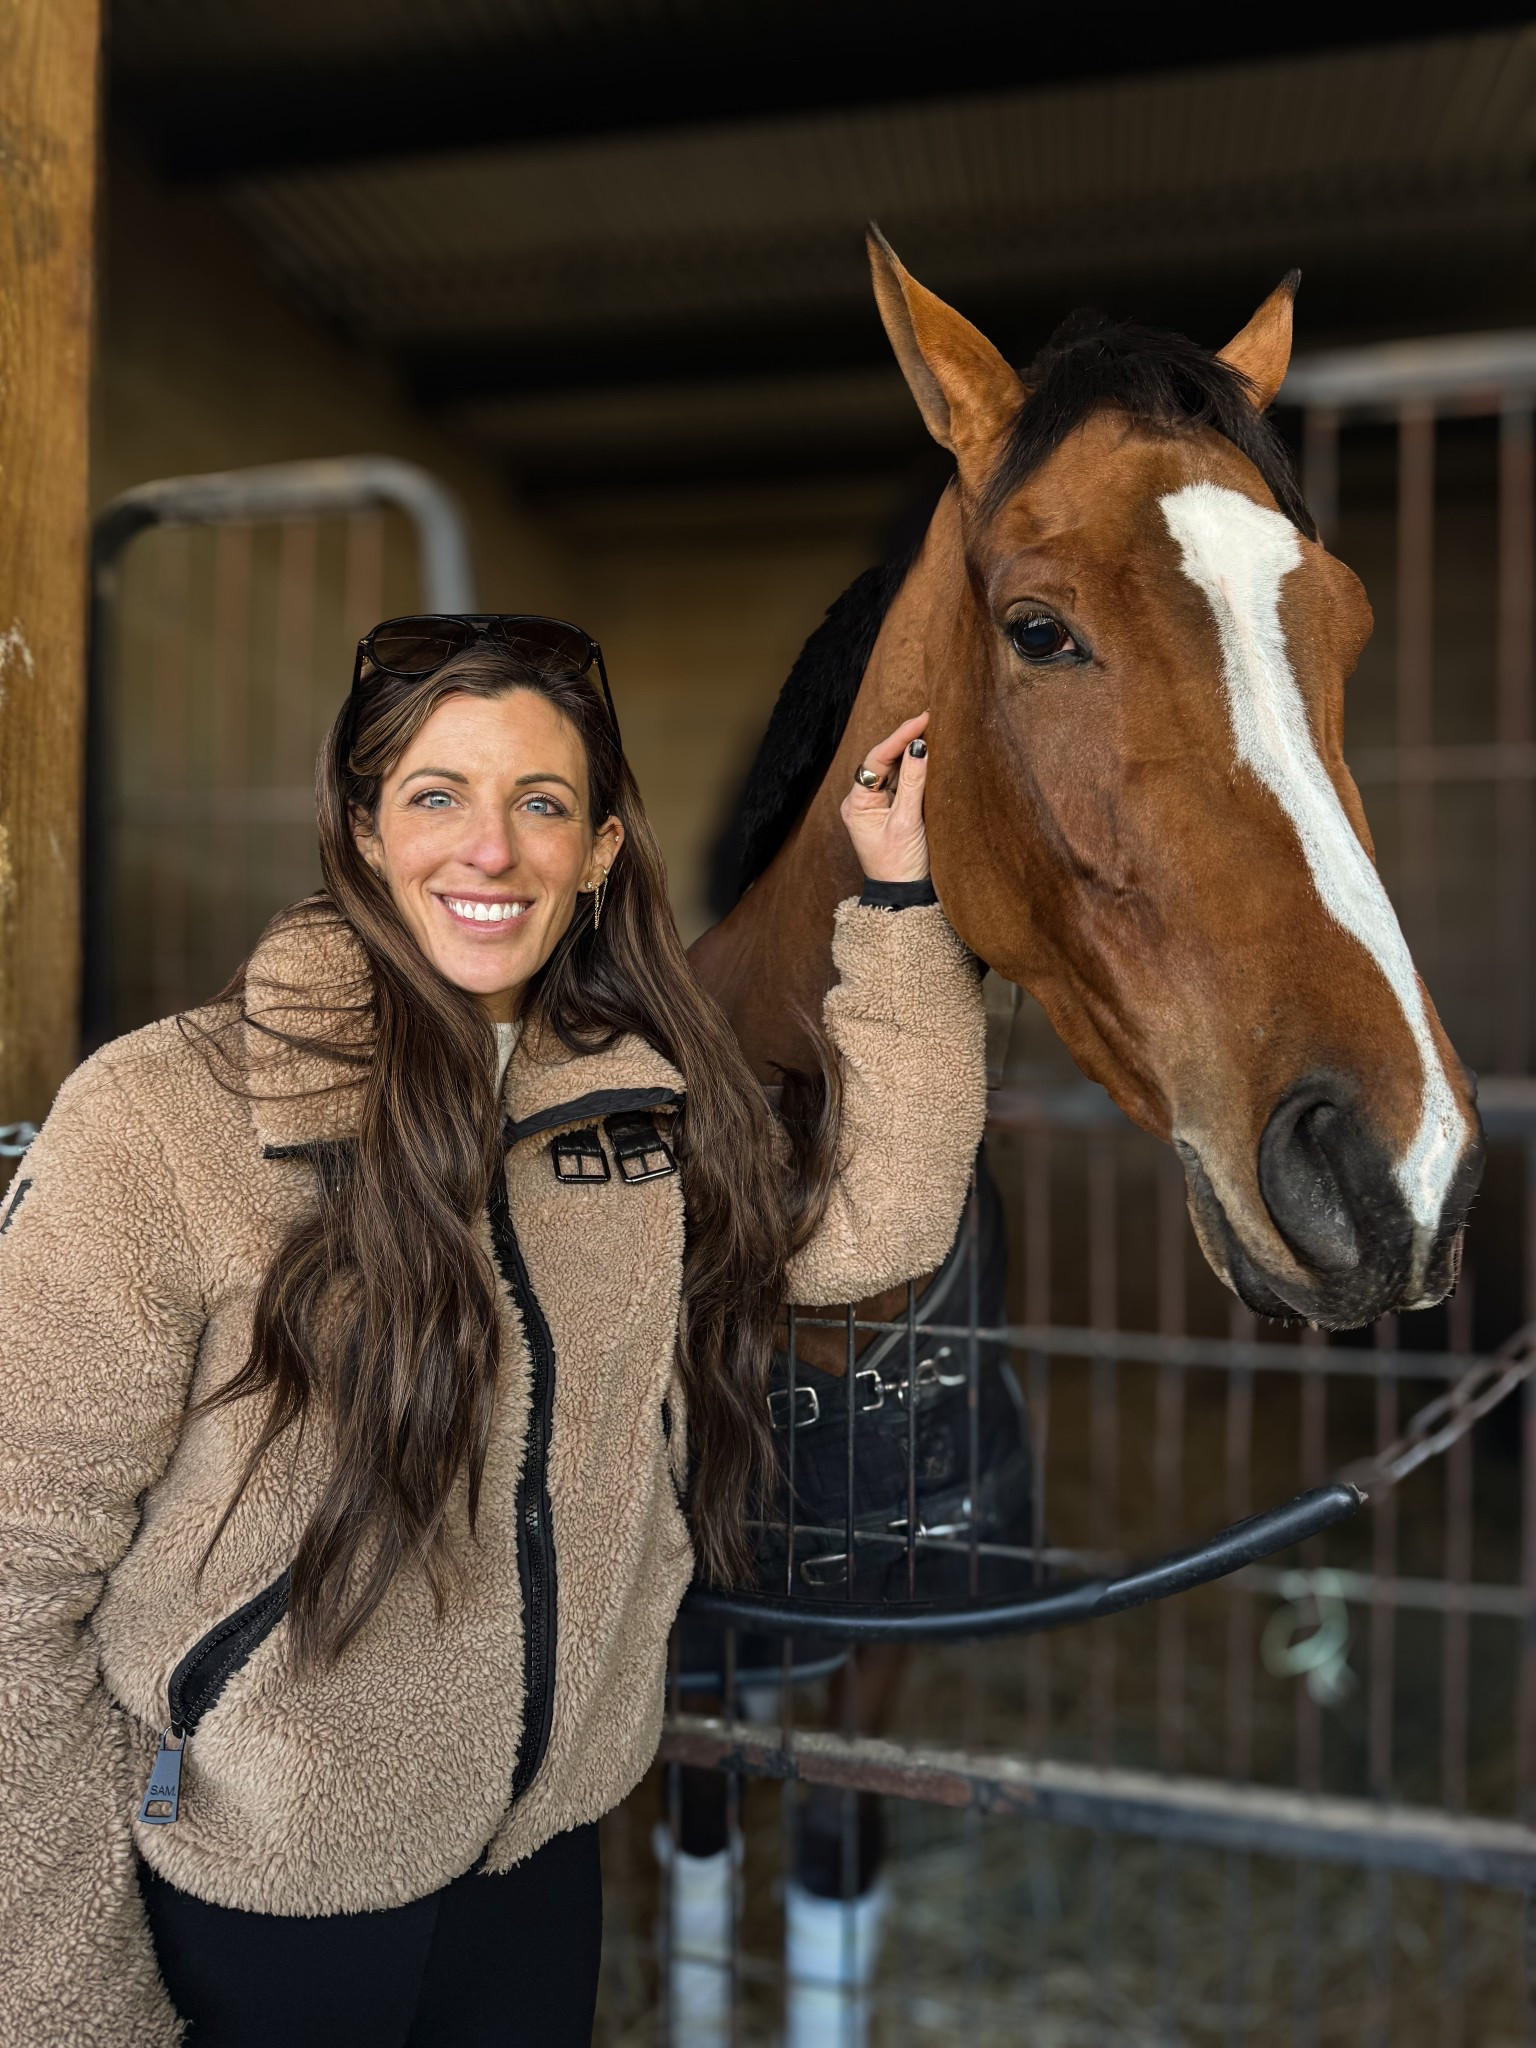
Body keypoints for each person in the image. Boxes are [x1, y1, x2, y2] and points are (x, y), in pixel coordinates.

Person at [0, 613, 986, 2046]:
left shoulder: (639, 1115)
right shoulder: (166, 1120)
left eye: (542, 802)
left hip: (538, 1873)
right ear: (357, 830)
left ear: (597, 853)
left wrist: (899, 916)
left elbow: (875, 1233)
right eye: (437, 796)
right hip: (266, 1902)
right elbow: (13, 1575)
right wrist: (68, 2010)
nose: (490, 850)